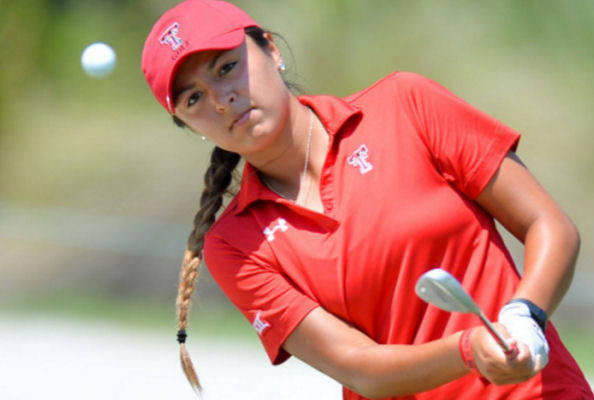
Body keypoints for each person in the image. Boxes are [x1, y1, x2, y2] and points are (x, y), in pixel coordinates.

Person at [141, 1, 594, 398]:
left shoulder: (405, 104)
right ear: (188, 125)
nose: (222, 100)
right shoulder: (235, 245)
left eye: (226, 67)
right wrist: (469, 350)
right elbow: (360, 368)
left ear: (271, 52)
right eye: (194, 98)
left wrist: (524, 316)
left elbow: (548, 225)